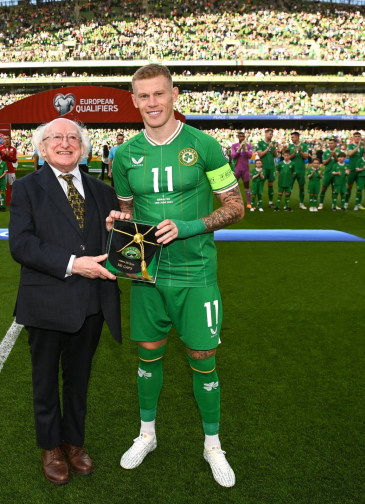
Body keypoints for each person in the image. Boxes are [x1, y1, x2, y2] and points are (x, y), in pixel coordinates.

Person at [110, 64, 243, 488]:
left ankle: (212, 444)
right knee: (149, 351)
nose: (152, 103)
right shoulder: (124, 154)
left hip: (196, 272)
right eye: (143, 96)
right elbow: (128, 212)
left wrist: (187, 227)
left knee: (203, 357)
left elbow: (236, 207)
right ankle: (147, 434)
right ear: (134, 101)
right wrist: (119, 222)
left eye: (159, 94)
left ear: (174, 94)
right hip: (148, 274)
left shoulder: (205, 145)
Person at [9, 117, 122, 486]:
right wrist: (74, 264)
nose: (65, 142)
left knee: (79, 380)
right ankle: (50, 447)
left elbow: (112, 248)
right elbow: (21, 245)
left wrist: (115, 235)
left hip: (91, 304)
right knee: (44, 381)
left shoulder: (102, 191)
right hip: (45, 303)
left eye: (73, 137)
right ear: (42, 148)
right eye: (56, 137)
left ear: (83, 147)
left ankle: (73, 443)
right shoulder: (26, 188)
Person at [255, 129, 278, 208]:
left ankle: (270, 202)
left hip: (271, 167)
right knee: (261, 184)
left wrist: (274, 148)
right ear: (265, 134)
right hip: (263, 167)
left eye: (272, 134)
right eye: (270, 134)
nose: (271, 135)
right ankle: (259, 202)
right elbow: (260, 154)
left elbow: (275, 155)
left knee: (271, 184)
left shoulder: (273, 143)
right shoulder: (260, 143)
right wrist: (269, 148)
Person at [231, 131, 253, 208]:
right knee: (233, 185)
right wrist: (240, 148)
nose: (242, 138)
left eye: (243, 136)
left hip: (245, 169)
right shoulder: (234, 146)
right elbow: (233, 156)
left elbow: (249, 156)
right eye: (240, 136)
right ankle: (233, 202)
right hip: (237, 168)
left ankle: (248, 203)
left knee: (246, 185)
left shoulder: (249, 146)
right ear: (238, 137)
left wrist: (245, 148)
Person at [288, 131, 309, 209]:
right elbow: (288, 157)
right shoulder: (290, 146)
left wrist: (300, 151)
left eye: (293, 137)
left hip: (301, 169)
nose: (291, 139)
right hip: (292, 170)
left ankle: (301, 203)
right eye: (291, 137)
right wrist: (294, 153)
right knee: (289, 186)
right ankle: (287, 203)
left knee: (301, 186)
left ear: (297, 137)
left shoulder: (304, 146)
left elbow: (306, 157)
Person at [319, 138, 341, 210]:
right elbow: (324, 163)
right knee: (323, 188)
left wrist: (335, 156)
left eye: (332, 143)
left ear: (335, 144)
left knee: (334, 189)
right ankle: (321, 204)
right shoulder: (325, 153)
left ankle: (334, 204)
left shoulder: (338, 152)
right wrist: (330, 157)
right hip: (327, 173)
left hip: (336, 173)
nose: (330, 144)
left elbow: (340, 163)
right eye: (329, 143)